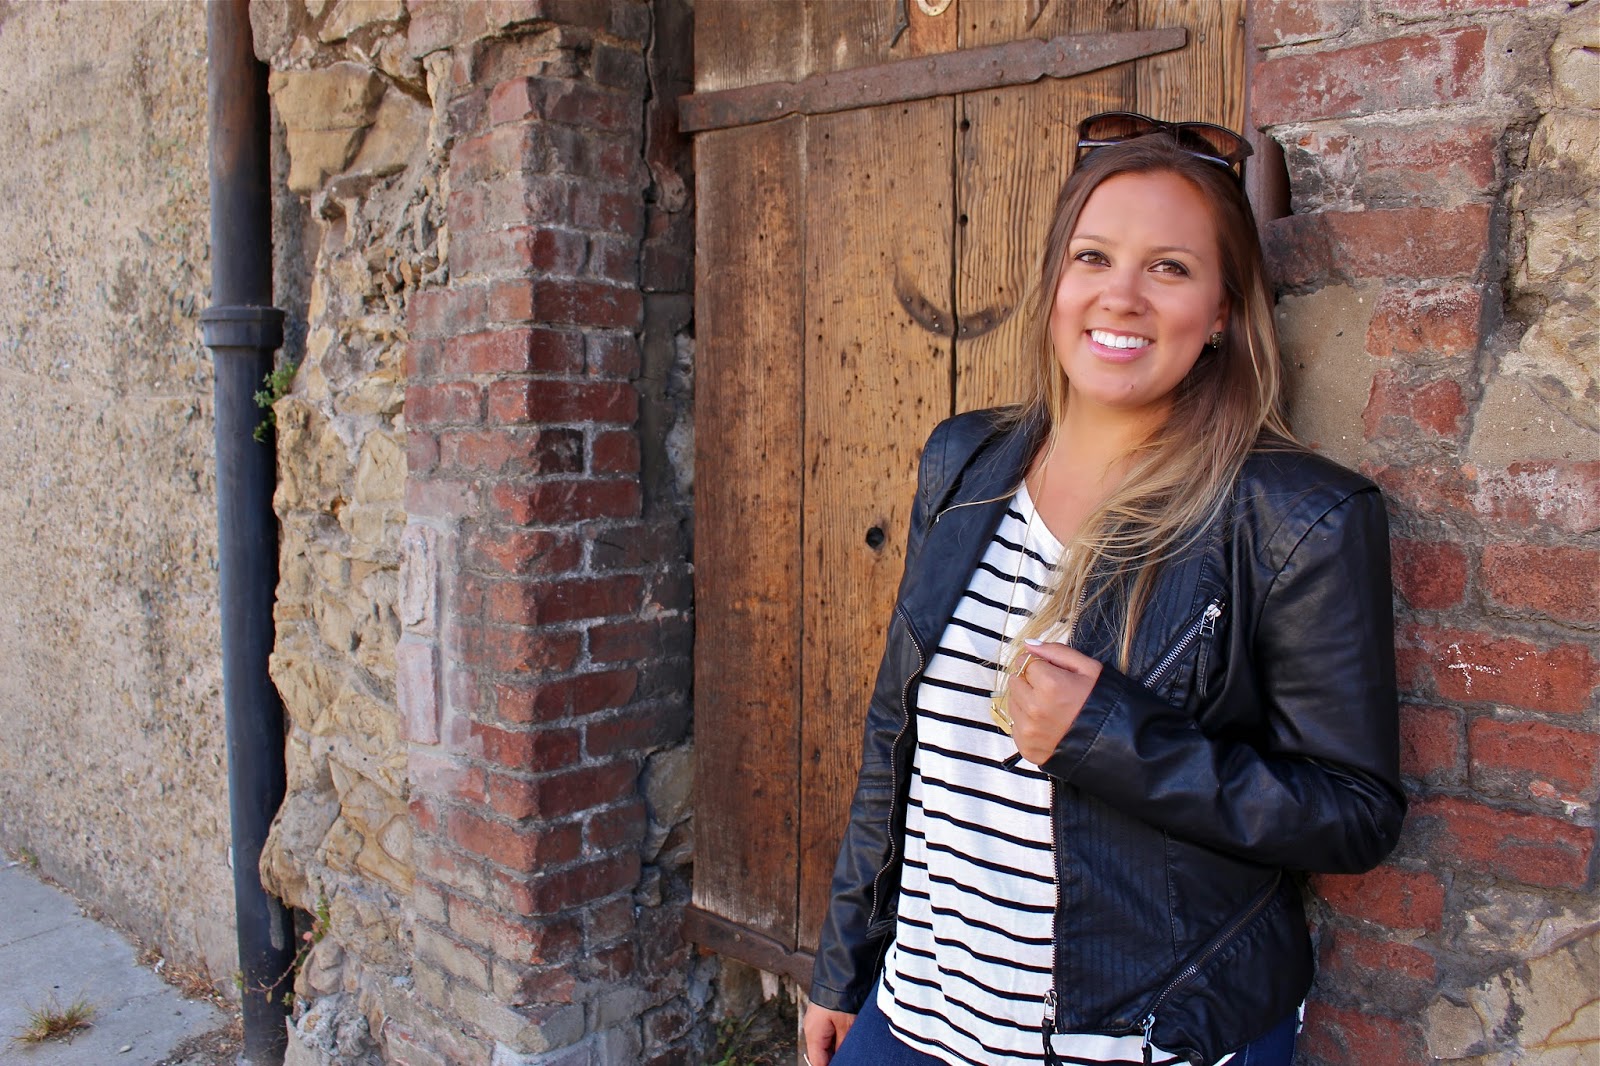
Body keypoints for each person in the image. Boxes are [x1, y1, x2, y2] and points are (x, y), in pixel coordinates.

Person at [802, 113, 1405, 1066]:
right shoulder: (966, 460)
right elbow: (896, 733)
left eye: (1170, 267)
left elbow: (1354, 812)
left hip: (1137, 1035)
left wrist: (1114, 741)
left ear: (1222, 312)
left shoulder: (1295, 517)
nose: (1120, 295)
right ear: (1055, 282)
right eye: (1093, 257)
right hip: (915, 1013)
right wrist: (846, 966)